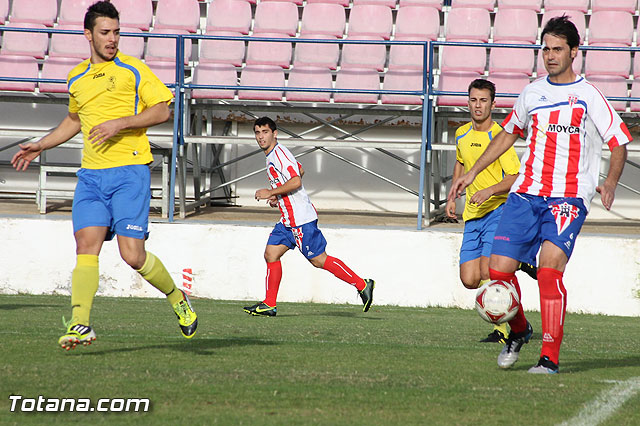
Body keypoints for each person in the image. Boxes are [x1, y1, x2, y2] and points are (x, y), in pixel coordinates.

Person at [448, 16, 630, 374]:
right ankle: (519, 330)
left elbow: (619, 141)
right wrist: (470, 173)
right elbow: (507, 134)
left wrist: (609, 182)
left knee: (548, 272)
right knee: (497, 270)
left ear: (574, 52)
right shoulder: (532, 92)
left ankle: (549, 358)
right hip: (525, 196)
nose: (549, 55)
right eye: (545, 49)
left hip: (567, 199)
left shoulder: (589, 96)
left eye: (557, 49)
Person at [11, 1, 197, 350]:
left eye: (116, 33)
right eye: (105, 33)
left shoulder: (133, 69)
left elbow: (162, 110)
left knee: (133, 257)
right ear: (88, 35)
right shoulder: (77, 77)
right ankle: (81, 323)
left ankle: (177, 297)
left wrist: (121, 123)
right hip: (92, 178)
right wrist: (41, 144)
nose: (112, 39)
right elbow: (75, 119)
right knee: (86, 246)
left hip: (130, 173)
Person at [243, 117, 374, 316]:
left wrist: (271, 192)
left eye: (265, 132)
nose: (261, 137)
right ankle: (269, 304)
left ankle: (362, 284)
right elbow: (300, 170)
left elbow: (296, 180)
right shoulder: (274, 155)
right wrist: (278, 195)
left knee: (319, 260)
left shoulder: (279, 155)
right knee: (271, 254)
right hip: (288, 219)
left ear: (275, 133)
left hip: (300, 219)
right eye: (257, 132)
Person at [445, 78, 531, 344]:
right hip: (472, 216)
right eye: (473, 100)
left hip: (497, 211)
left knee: (488, 272)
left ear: (493, 104)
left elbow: (515, 177)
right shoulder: (461, 134)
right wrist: (451, 196)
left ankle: (505, 331)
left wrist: (489, 191)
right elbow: (460, 164)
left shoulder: (500, 136)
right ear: (468, 102)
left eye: (483, 100)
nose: (478, 106)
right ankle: (521, 262)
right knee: (469, 279)